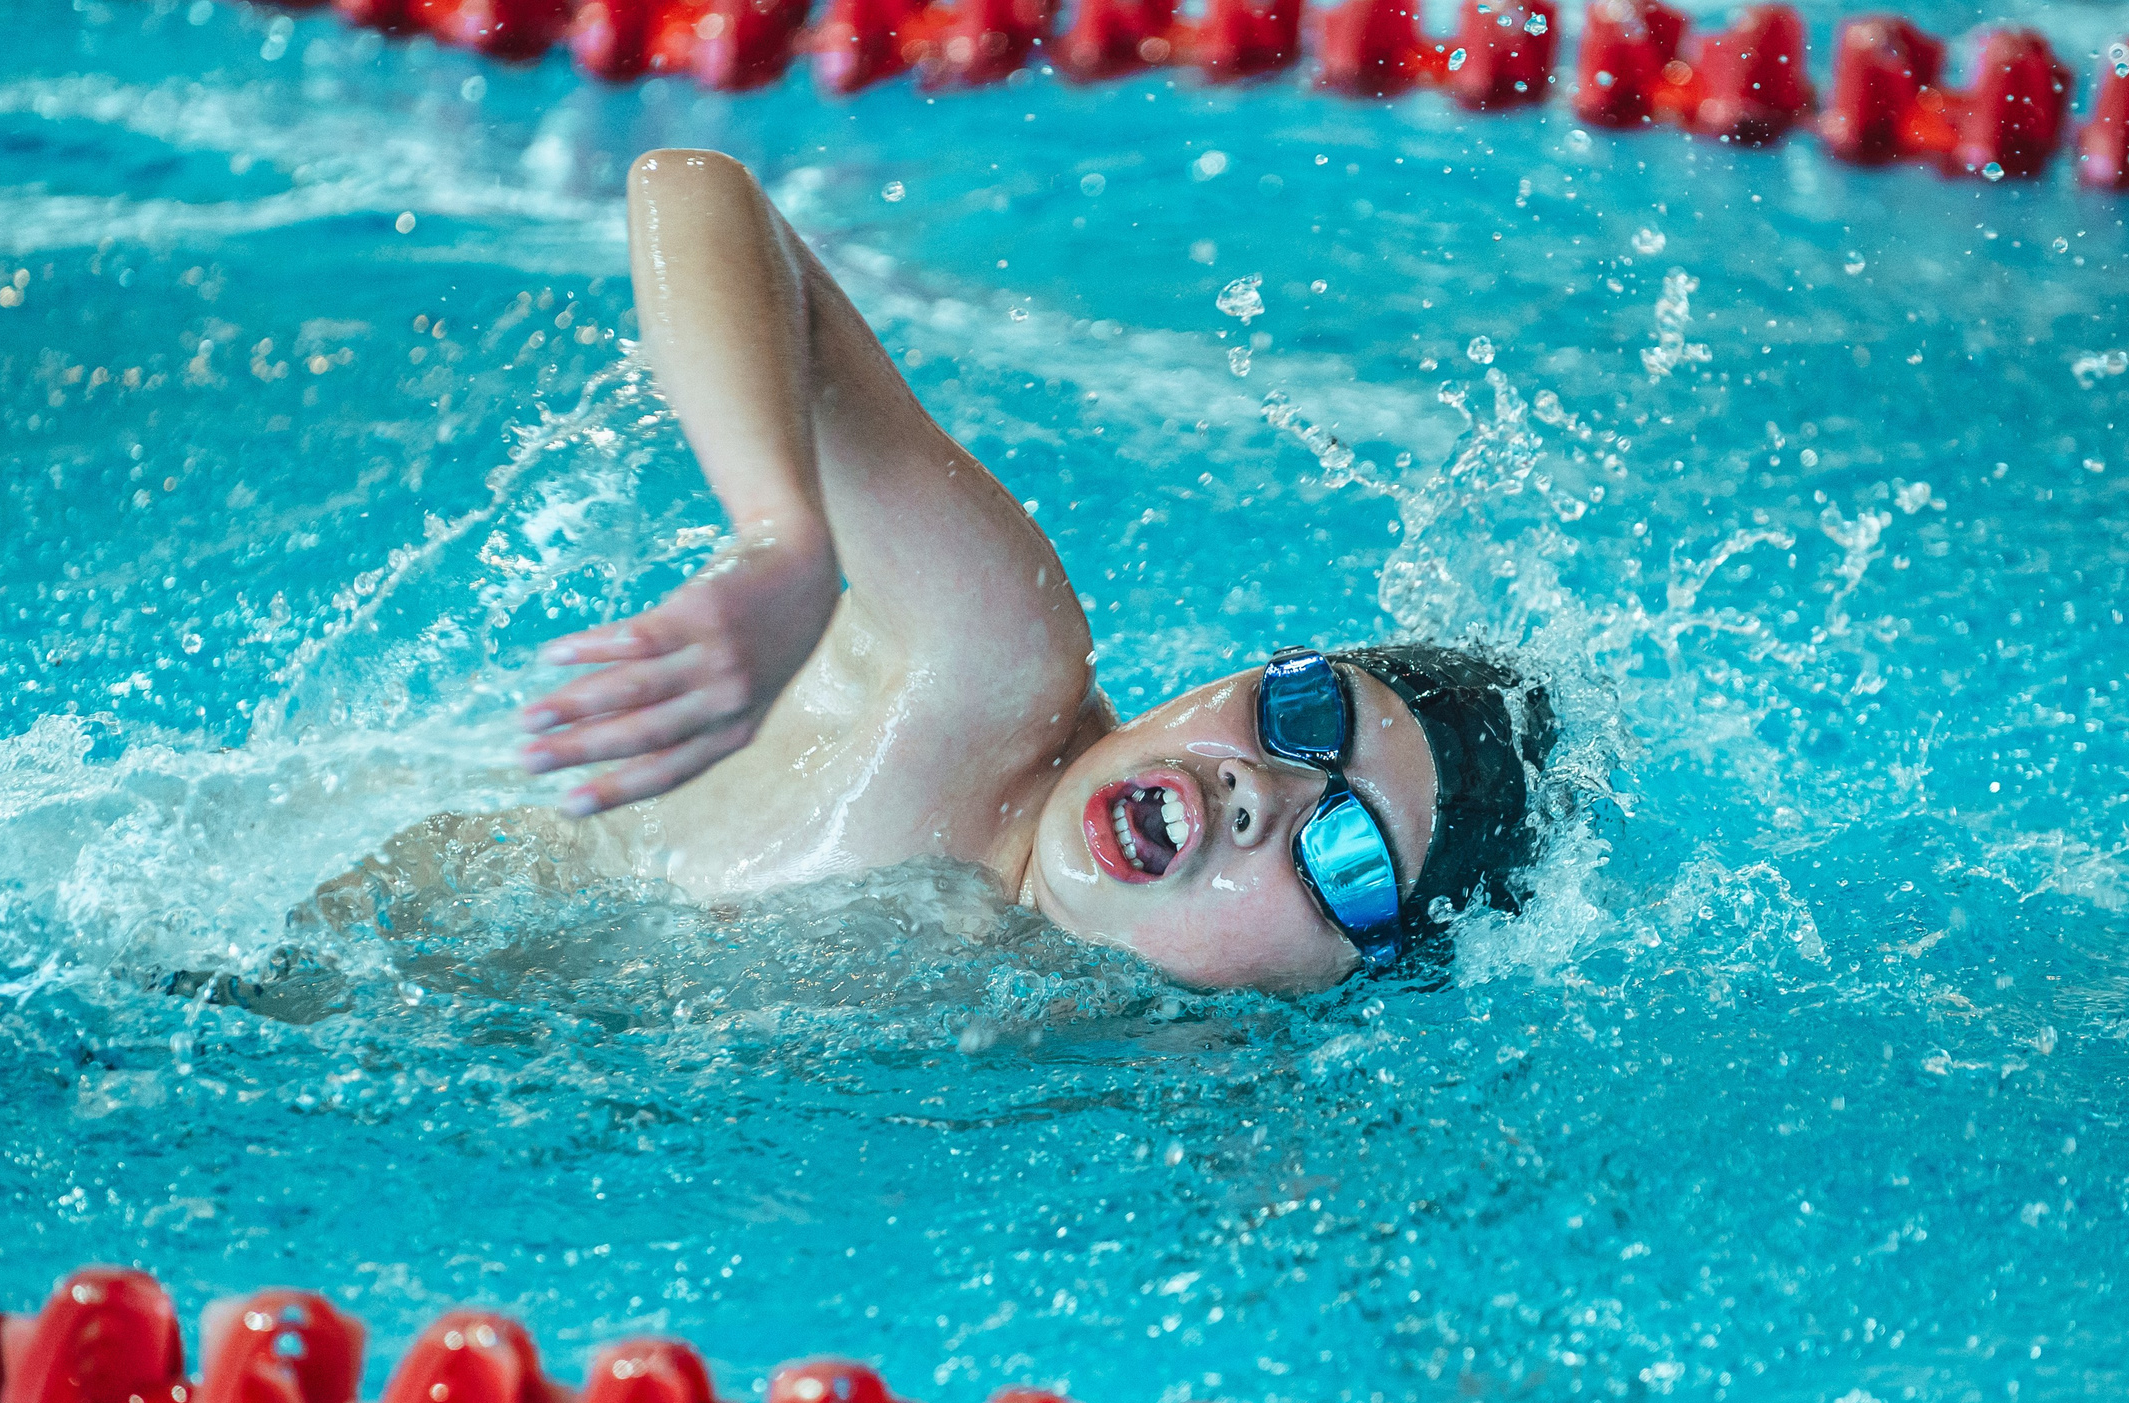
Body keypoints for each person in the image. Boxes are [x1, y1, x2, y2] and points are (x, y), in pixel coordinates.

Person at [511, 148, 1556, 992]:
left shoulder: (1139, 1051)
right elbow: (695, 188)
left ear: (1336, 982)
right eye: (1304, 713)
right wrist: (781, 536)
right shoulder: (991, 667)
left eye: (1349, 859)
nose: (1261, 791)